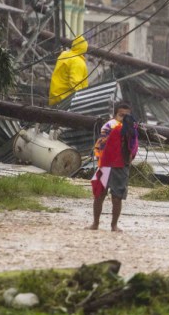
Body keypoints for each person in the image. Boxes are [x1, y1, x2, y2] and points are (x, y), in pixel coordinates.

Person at [88, 101, 138, 232]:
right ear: (115, 115)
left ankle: (113, 225)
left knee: (117, 197)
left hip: (121, 166)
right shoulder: (109, 126)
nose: (124, 118)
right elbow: (101, 144)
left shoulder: (132, 129)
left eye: (127, 116)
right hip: (105, 164)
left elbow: (133, 147)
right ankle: (95, 223)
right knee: (99, 194)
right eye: (121, 115)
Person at [48, 35, 89, 105]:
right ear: (84, 49)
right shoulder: (78, 62)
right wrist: (82, 100)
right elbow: (75, 83)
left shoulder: (64, 55)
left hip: (55, 97)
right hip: (66, 101)